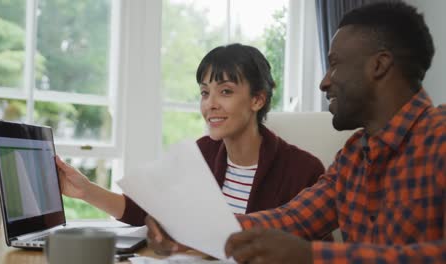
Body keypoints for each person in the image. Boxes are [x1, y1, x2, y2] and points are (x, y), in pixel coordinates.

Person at [146, 2, 446, 263]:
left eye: (335, 65)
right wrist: (187, 231)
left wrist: (312, 257)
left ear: (379, 65)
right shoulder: (354, 157)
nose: (324, 82)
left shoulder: (439, 137)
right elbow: (291, 219)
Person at [56, 44, 325, 227]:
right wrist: (86, 190)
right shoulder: (202, 153)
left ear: (257, 99)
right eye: (205, 92)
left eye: (226, 91)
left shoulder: (303, 170)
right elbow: (145, 210)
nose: (210, 104)